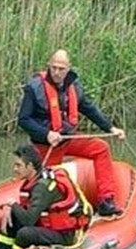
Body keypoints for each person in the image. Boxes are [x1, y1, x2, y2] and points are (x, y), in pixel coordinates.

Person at [18, 49, 126, 216]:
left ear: (68, 69)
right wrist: (46, 134)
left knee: (100, 148)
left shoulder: (73, 86)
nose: (56, 72)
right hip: (47, 145)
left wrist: (111, 128)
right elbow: (24, 119)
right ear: (49, 66)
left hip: (67, 139)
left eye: (61, 69)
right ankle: (46, 212)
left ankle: (106, 200)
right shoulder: (34, 88)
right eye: (53, 68)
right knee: (51, 182)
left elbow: (89, 108)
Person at [0, 144, 92, 249]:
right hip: (47, 226)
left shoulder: (43, 187)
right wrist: (11, 209)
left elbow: (28, 220)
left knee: (25, 234)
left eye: (18, 165)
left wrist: (12, 204)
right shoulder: (34, 180)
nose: (15, 169)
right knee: (9, 220)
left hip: (64, 234)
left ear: (30, 166)